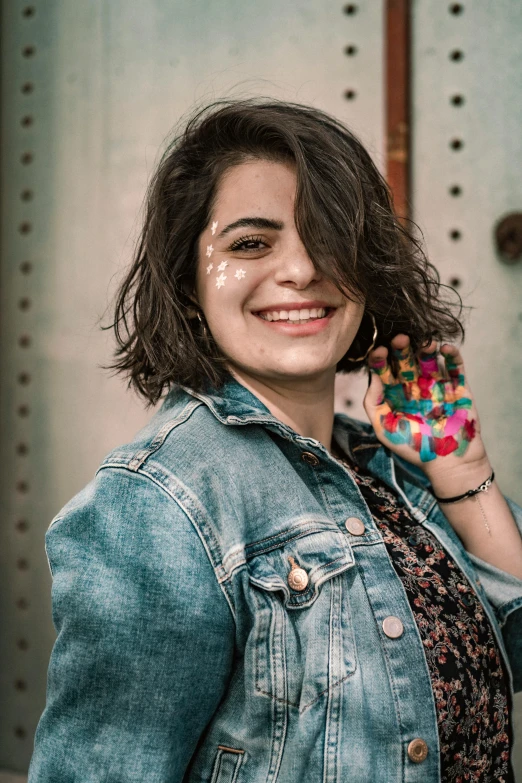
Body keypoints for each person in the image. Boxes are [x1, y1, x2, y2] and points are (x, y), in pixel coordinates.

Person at [29, 99, 522, 783]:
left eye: (328, 237)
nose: (302, 269)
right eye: (251, 243)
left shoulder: (388, 469)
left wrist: (461, 471)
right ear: (189, 282)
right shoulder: (154, 505)